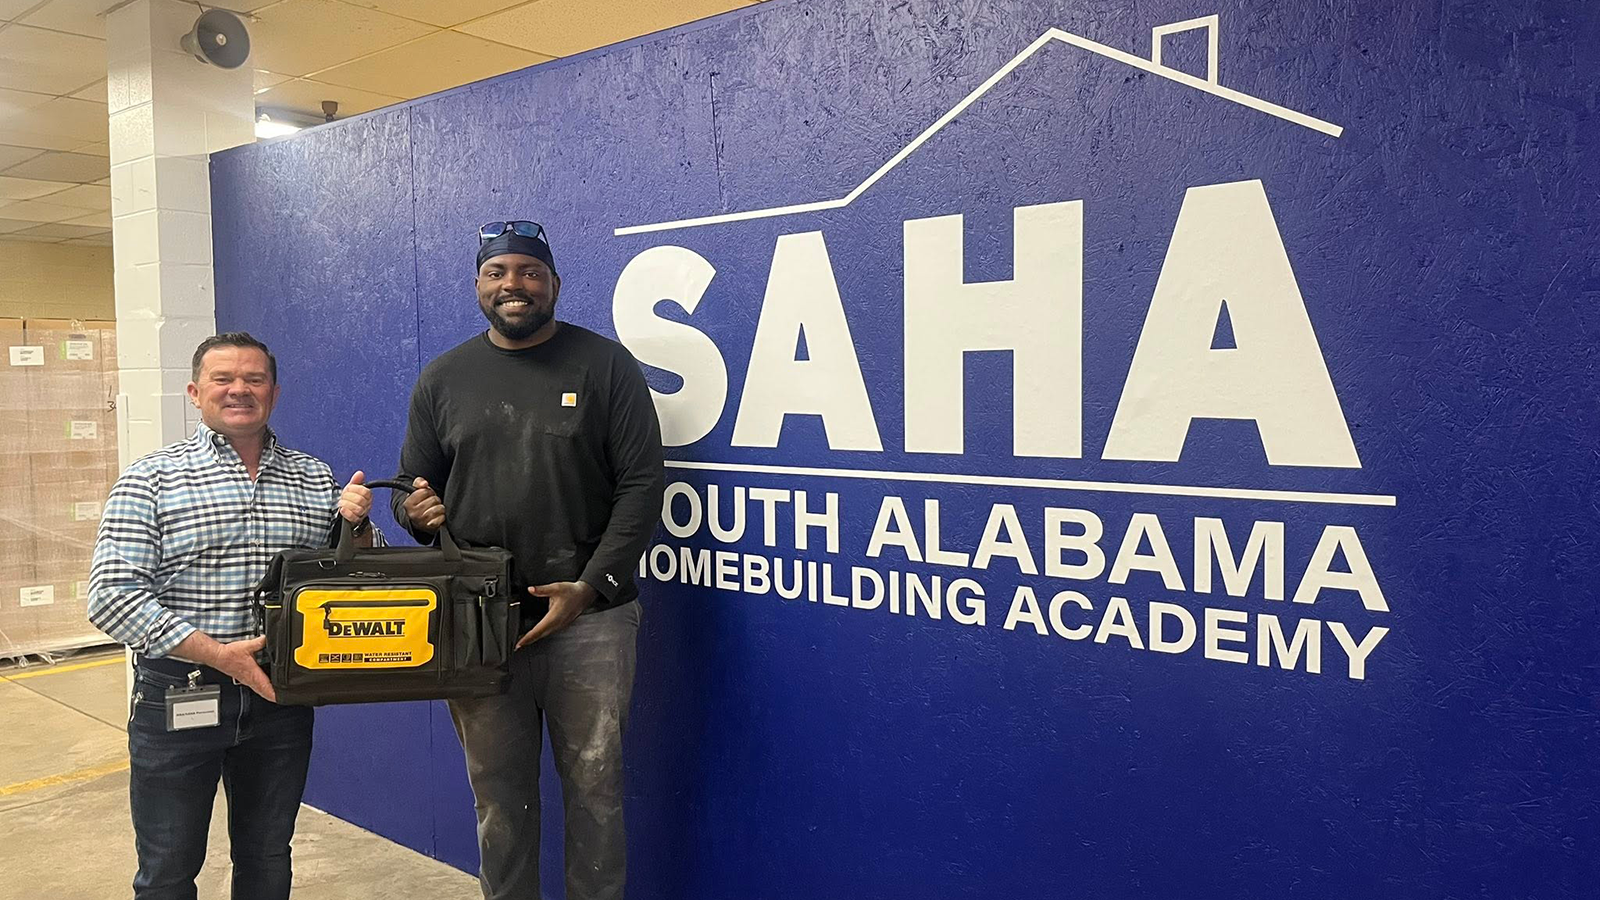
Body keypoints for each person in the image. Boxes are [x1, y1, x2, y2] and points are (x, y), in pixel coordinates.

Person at [392, 220, 665, 900]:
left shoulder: (604, 367)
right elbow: (413, 489)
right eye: (498, 273)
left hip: (592, 619)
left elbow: (642, 484)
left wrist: (591, 586)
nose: (513, 284)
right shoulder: (444, 377)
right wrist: (414, 514)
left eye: (528, 272)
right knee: (498, 800)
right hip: (480, 622)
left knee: (596, 793)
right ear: (480, 286)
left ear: (554, 285)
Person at [88, 332, 377, 900]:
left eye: (254, 378)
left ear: (274, 391)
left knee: (267, 857)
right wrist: (219, 655)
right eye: (223, 379)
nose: (239, 390)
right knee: (168, 867)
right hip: (181, 689)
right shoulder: (151, 478)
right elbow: (111, 596)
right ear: (196, 392)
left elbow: (355, 579)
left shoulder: (314, 477)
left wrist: (359, 528)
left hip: (278, 695)